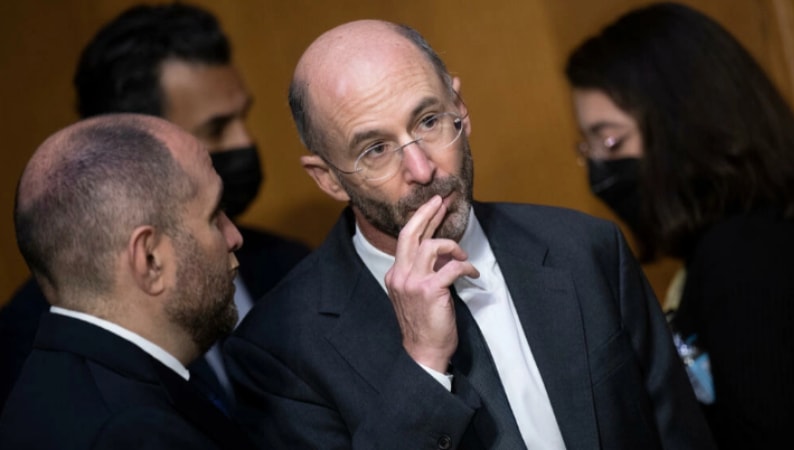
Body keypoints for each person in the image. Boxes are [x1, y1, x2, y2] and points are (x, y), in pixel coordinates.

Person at [223, 19, 715, 449]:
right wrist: (423, 365)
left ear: (460, 106)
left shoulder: (585, 250)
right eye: (375, 149)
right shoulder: (279, 349)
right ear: (328, 177)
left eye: (430, 120)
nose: (422, 168)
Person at [0, 2, 310, 410]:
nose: (243, 143)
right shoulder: (34, 347)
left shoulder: (290, 269)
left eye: (243, 118)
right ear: (132, 146)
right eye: (216, 128)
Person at [565, 3, 794, 448]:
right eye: (589, 145)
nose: (599, 168)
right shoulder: (724, 247)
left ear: (683, 124)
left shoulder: (748, 254)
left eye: (611, 140)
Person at [0, 113, 257, 449]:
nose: (234, 236)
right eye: (213, 216)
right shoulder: (135, 433)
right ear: (149, 259)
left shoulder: (58, 383)